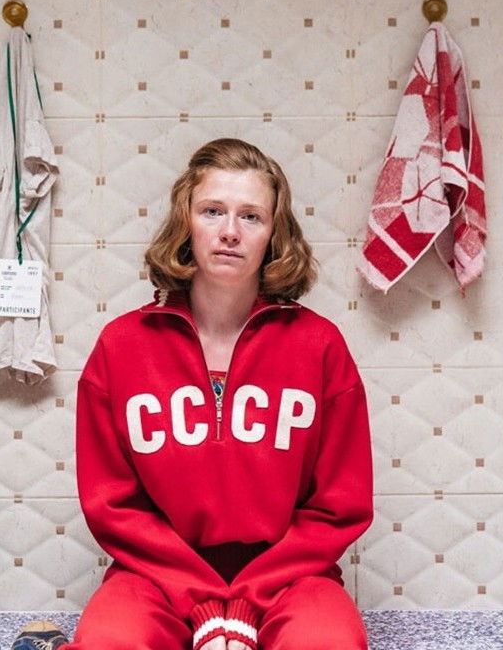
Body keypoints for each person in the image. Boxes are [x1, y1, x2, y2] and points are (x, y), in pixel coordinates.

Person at [69, 138, 374, 649]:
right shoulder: (121, 347)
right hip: (155, 577)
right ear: (185, 221)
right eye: (212, 211)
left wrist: (247, 602)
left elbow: (339, 507)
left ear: (274, 233)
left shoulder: (320, 346)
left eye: (251, 216)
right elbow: (114, 506)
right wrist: (203, 604)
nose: (230, 231)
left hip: (292, 578)